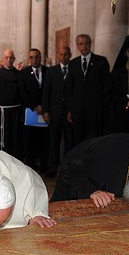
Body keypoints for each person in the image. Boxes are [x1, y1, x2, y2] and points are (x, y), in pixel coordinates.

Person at [66, 34, 111, 145]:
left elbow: (107, 85)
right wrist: (70, 109)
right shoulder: (72, 64)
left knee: (94, 139)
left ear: (90, 44)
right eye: (81, 43)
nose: (84, 46)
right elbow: (69, 88)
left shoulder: (101, 61)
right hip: (78, 111)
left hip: (95, 110)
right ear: (77, 46)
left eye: (86, 43)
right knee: (78, 140)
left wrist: (101, 104)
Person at [42, 45, 74, 178]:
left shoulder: (74, 70)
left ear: (70, 55)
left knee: (69, 142)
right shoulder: (52, 71)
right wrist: (45, 111)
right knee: (53, 142)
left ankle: (67, 169)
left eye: (66, 54)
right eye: (61, 55)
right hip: (54, 112)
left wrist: (72, 110)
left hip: (69, 114)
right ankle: (52, 168)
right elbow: (46, 92)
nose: (63, 57)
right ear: (58, 56)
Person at [0, 49, 23, 159]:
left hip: (16, 113)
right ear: (3, 59)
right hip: (1, 113)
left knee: (15, 138)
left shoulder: (18, 75)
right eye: (6, 58)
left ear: (14, 59)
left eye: (11, 58)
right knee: (2, 139)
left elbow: (21, 94)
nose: (9, 60)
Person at [19, 48, 49, 173]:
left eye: (37, 57)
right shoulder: (24, 73)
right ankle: (31, 167)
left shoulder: (48, 71)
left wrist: (44, 106)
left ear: (40, 57)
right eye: (31, 57)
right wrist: (34, 106)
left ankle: (44, 166)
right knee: (30, 141)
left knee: (44, 140)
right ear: (28, 59)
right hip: (31, 112)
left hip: (45, 112)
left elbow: (50, 91)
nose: (34, 59)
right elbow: (22, 92)